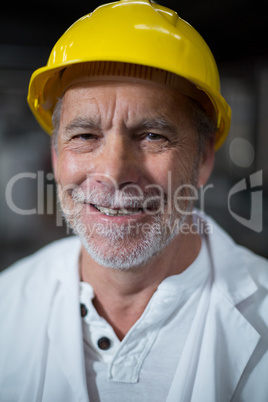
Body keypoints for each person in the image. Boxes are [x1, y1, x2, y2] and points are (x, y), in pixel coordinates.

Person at [1, 1, 267, 401]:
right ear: (56, 157)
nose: (113, 171)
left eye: (152, 135)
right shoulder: (8, 301)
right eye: (86, 136)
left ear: (204, 159)